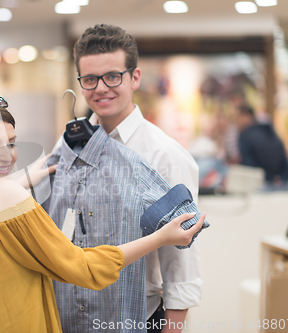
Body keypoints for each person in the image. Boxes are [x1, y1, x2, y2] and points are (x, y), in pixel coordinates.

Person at [0, 96, 206, 332]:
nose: (8, 156)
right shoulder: (7, 197)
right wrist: (159, 238)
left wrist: (19, 182)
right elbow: (82, 266)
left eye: (11, 143)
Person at [49, 24, 202, 333]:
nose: (101, 88)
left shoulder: (164, 155)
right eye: (90, 79)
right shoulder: (65, 146)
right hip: (67, 317)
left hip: (136, 320)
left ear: (134, 77)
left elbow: (180, 257)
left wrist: (173, 328)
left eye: (112, 76)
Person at [235, 104, 288, 189]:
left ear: (246, 116)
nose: (236, 122)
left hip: (261, 186)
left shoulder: (245, 136)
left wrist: (268, 178)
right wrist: (282, 177)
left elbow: (249, 165)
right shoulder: (270, 132)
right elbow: (284, 156)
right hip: (282, 184)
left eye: (237, 118)